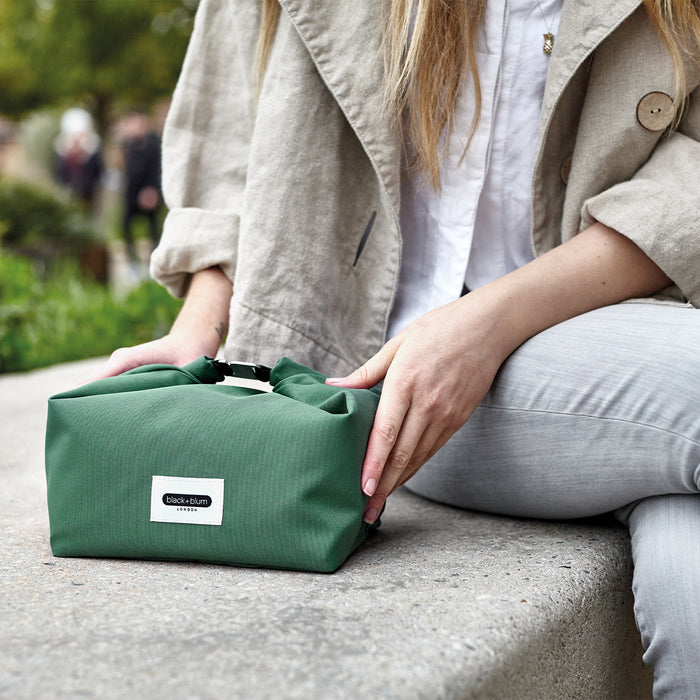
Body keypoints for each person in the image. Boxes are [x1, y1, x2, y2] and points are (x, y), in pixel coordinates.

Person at [94, 1, 700, 695]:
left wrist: (482, 323)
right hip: (389, 375)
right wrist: (200, 326)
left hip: (616, 313)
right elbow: (229, 120)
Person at [118, 109, 163, 260]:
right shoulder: (128, 145)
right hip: (132, 192)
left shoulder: (153, 145)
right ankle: (132, 258)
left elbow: (157, 169)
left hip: (149, 191)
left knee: (153, 227)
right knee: (125, 226)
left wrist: (152, 190)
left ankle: (155, 257)